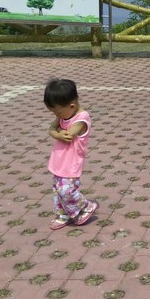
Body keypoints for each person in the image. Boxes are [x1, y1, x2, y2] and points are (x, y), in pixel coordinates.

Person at [43, 78, 99, 230]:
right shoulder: (64, 114)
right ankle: (63, 215)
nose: (56, 115)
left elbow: (68, 135)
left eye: (57, 111)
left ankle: (86, 205)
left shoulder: (81, 119)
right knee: (58, 191)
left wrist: (57, 132)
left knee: (66, 190)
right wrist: (56, 132)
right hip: (59, 161)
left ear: (72, 105)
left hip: (71, 164)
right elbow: (51, 128)